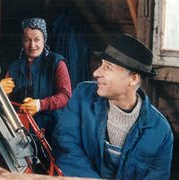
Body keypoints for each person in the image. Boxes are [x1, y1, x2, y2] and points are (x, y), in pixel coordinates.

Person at [52, 34, 173, 179]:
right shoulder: (82, 96)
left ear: (133, 79)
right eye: (101, 64)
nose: (96, 73)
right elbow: (65, 146)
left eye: (108, 67)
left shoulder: (161, 131)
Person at [0, 18, 72, 142]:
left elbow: (66, 96)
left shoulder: (56, 62)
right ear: (22, 41)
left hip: (53, 130)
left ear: (44, 39)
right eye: (27, 40)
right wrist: (1, 91)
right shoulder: (14, 66)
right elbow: (5, 103)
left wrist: (39, 104)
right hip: (22, 131)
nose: (32, 45)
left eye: (37, 39)